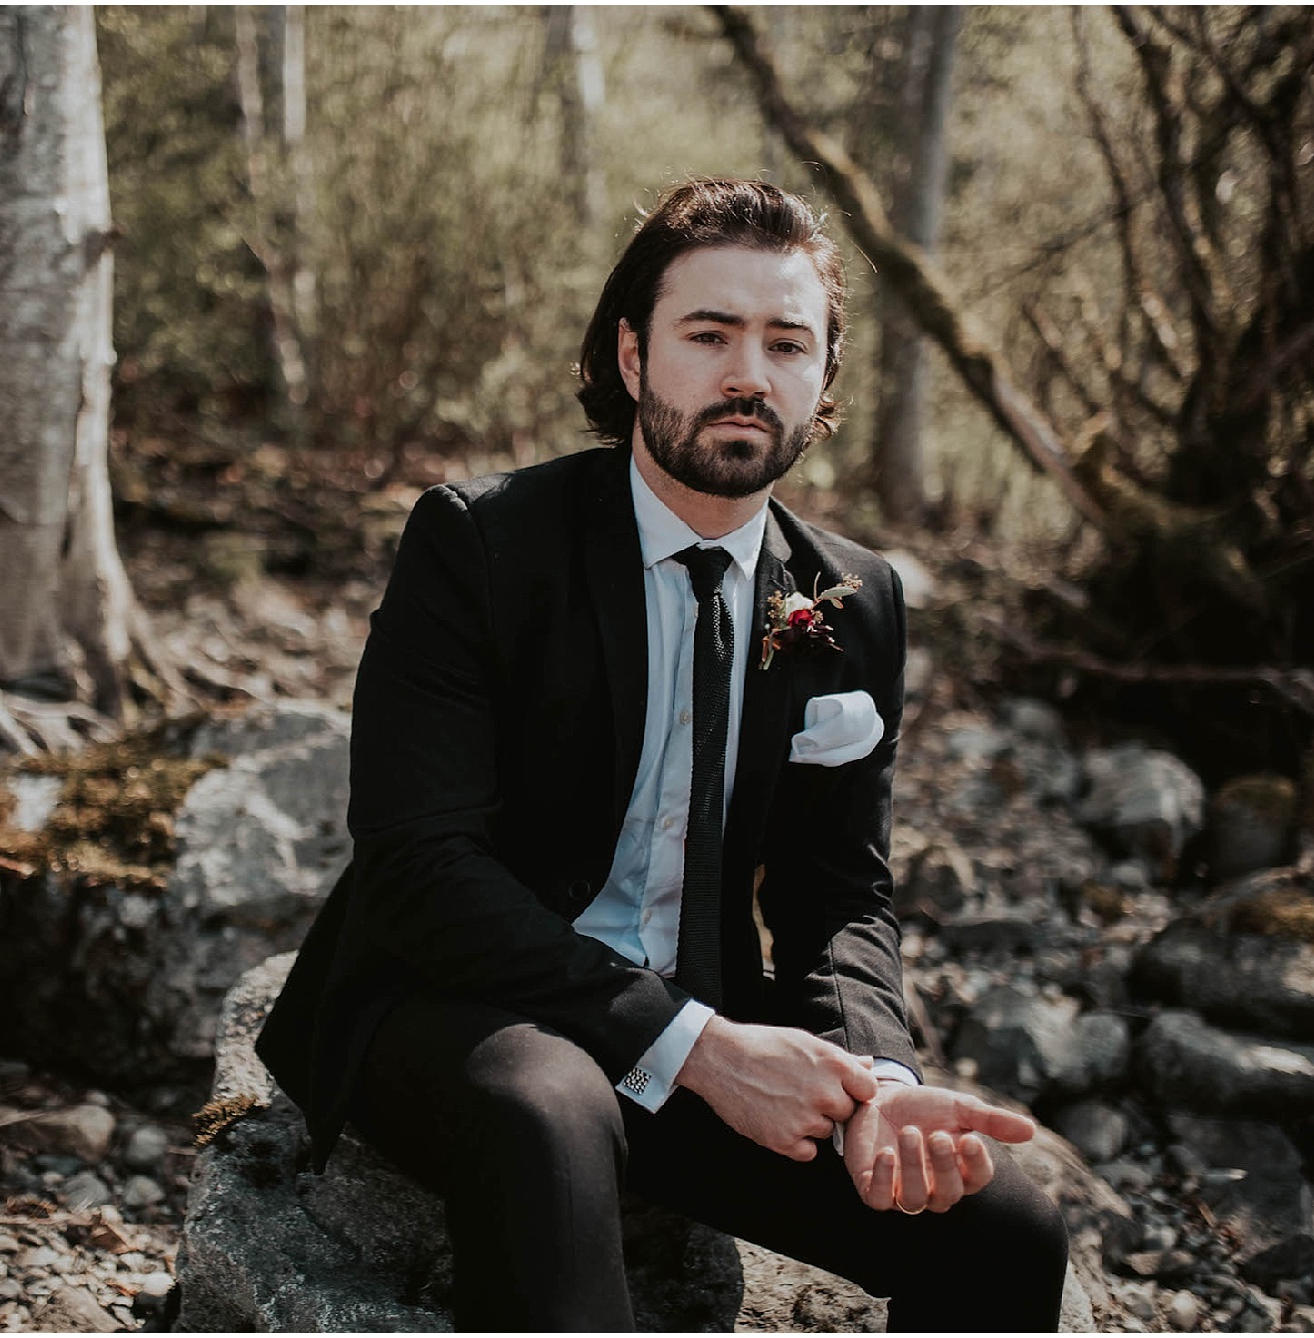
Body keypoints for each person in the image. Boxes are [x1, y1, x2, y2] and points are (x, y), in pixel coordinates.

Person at [256, 177, 1069, 1331]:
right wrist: (693, 1048)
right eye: (710, 334)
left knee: (1004, 1229)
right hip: (459, 1009)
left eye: (787, 342)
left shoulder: (853, 596)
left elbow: (838, 889)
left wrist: (872, 1079)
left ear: (822, 382)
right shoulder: (481, 541)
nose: (749, 372)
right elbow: (415, 864)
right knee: (551, 1110)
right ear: (632, 358)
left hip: (704, 1034)